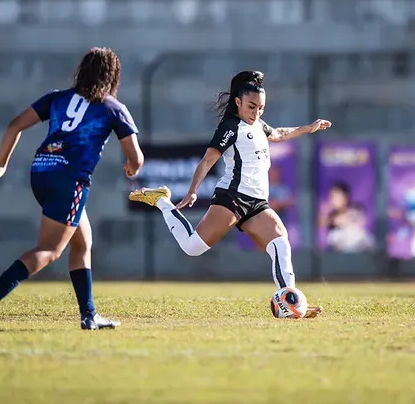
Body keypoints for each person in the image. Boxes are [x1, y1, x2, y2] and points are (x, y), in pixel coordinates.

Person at [128, 71, 331, 318]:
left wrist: (309, 128)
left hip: (257, 203)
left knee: (280, 243)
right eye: (251, 106)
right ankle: (161, 200)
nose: (256, 112)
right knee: (193, 247)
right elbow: (207, 160)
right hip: (232, 197)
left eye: (261, 108)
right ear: (238, 101)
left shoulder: (259, 125)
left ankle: (291, 303)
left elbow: (279, 134)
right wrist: (192, 191)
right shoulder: (230, 127)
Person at [0, 47, 144, 332]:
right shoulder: (112, 107)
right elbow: (136, 157)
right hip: (70, 179)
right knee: (50, 250)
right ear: (113, 76)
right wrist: (132, 168)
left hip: (41, 172)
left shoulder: (57, 98)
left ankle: (89, 315)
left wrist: (1, 164)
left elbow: (15, 125)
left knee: (81, 242)